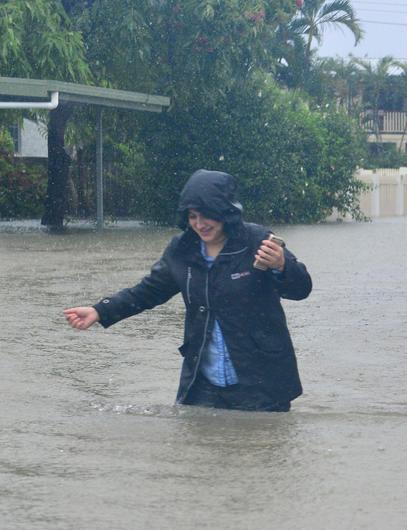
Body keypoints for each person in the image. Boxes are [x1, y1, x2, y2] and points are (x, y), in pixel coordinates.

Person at [62, 169, 312, 412]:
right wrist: (100, 310)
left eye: (207, 215)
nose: (200, 224)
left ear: (226, 211)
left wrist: (281, 265)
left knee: (259, 449)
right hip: (203, 384)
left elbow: (301, 289)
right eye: (193, 216)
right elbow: (147, 292)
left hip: (261, 382)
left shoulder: (257, 241)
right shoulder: (182, 250)